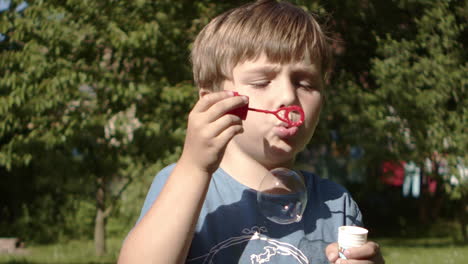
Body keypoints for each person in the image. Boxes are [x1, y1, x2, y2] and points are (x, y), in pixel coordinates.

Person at [118, 1, 384, 263]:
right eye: (261, 81)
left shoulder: (336, 204)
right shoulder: (187, 183)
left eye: (305, 83)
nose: (287, 96)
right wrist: (194, 167)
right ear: (215, 102)